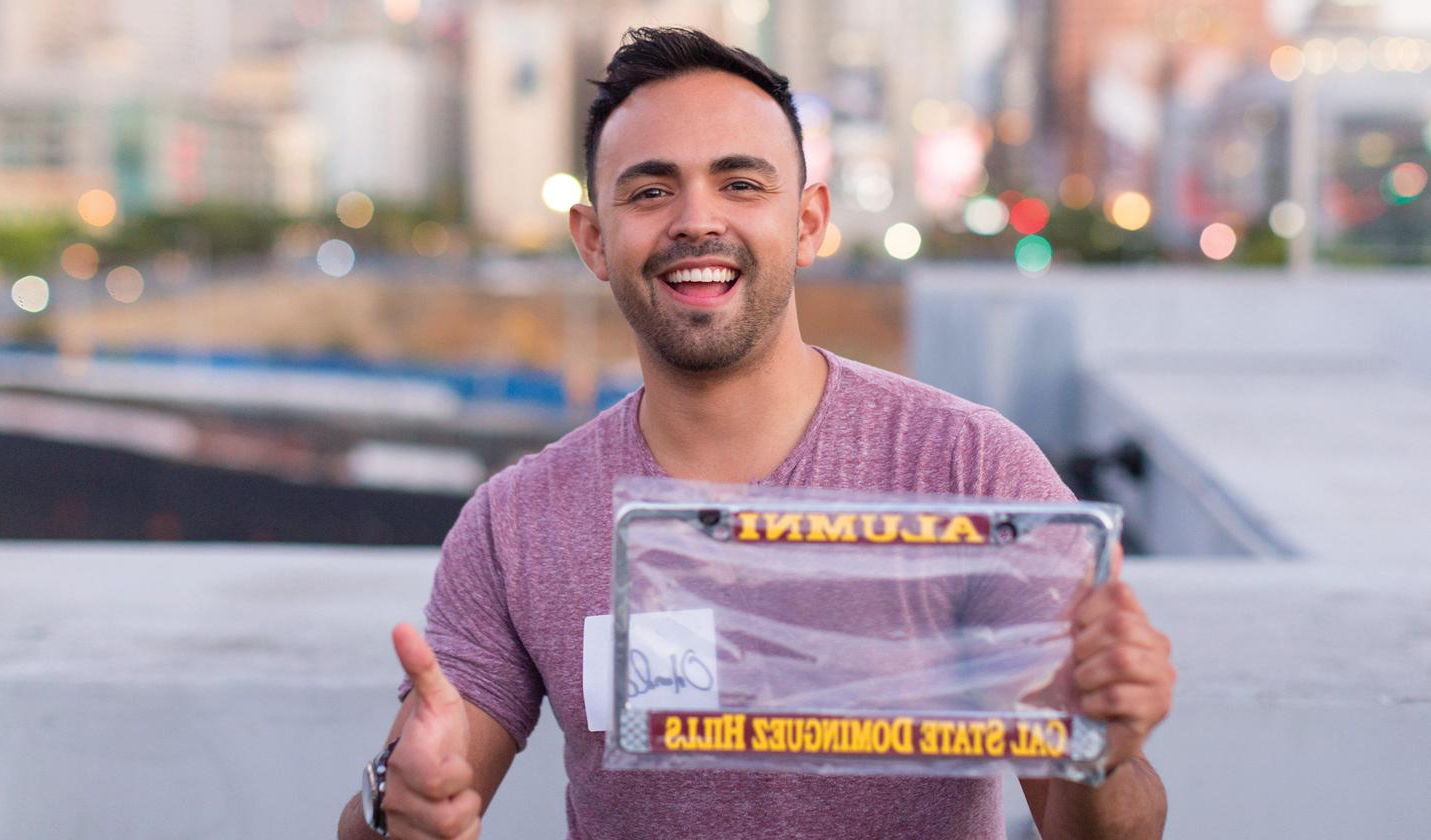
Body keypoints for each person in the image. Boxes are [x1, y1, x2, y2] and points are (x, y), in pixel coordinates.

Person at [339, 27, 1173, 840]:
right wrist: (398, 806)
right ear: (594, 240)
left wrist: (1104, 749)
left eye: (741, 183)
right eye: (650, 190)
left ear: (809, 222)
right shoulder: (517, 524)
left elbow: (1105, 831)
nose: (697, 221)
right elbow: (408, 801)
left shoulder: (968, 470)